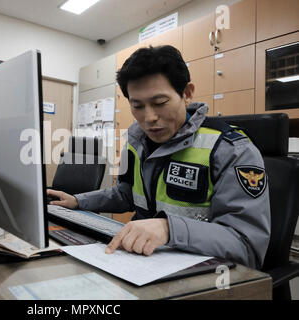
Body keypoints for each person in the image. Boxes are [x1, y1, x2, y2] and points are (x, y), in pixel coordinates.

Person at [47, 45, 271, 269]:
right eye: (137, 106)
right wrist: (78, 201)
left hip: (201, 272)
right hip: (141, 261)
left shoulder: (231, 150)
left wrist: (168, 229)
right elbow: (126, 194)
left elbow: (247, 245)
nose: (149, 117)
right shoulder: (136, 141)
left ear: (187, 94)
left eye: (159, 103)